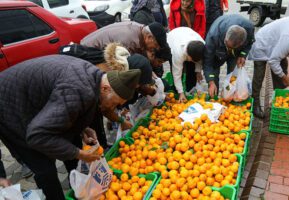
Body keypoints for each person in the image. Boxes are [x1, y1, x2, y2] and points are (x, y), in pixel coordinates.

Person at [0, 55, 141, 199]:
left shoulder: (94, 77)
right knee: (44, 167)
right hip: (10, 110)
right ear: (105, 88)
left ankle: (78, 189)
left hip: (33, 103)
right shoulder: (79, 90)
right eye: (115, 103)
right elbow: (37, 135)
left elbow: (66, 108)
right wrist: (78, 153)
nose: (113, 107)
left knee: (72, 145)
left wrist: (82, 129)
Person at [203, 14, 254, 98]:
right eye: (228, 46)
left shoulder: (248, 28)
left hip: (235, 54)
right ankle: (214, 99)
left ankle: (230, 96)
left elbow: (250, 43)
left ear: (241, 43)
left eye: (233, 47)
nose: (229, 49)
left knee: (233, 76)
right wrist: (210, 81)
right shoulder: (213, 37)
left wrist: (242, 55)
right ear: (226, 39)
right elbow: (208, 62)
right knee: (213, 75)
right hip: (217, 53)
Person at [80, 21, 168, 60]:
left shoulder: (139, 28)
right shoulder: (131, 42)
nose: (154, 49)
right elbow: (124, 68)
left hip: (89, 44)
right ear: (149, 37)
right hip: (88, 52)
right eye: (155, 45)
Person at [167, 27, 205, 102]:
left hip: (187, 34)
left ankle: (190, 90)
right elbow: (176, 74)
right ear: (189, 56)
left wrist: (198, 71)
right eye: (191, 59)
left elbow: (199, 60)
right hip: (173, 38)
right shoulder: (177, 52)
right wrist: (181, 92)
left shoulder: (202, 45)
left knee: (192, 72)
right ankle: (178, 94)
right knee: (178, 73)